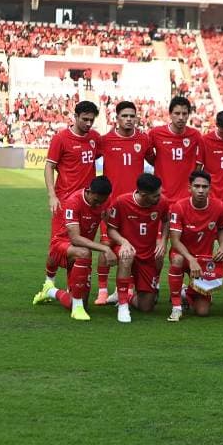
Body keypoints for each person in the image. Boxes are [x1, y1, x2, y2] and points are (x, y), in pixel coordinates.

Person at [32, 176, 117, 322]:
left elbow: (109, 223)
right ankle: (77, 309)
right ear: (89, 191)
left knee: (80, 301)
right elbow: (75, 238)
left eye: (102, 202)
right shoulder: (73, 201)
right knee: (84, 252)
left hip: (80, 250)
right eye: (96, 201)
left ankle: (51, 291)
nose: (98, 205)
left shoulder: (104, 201)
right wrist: (105, 249)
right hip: (61, 244)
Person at [95, 101, 150, 305]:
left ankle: (126, 291)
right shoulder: (105, 140)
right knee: (105, 245)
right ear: (116, 118)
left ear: (136, 118)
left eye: (132, 116)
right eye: (124, 116)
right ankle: (102, 290)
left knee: (132, 249)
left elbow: (155, 160)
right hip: (110, 205)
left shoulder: (143, 140)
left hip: (136, 206)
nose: (128, 119)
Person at [42, 100, 103, 283]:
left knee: (79, 246)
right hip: (65, 201)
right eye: (84, 119)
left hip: (87, 203)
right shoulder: (61, 138)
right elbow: (49, 166)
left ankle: (73, 287)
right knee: (58, 245)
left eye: (91, 120)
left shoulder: (95, 138)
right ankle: (49, 282)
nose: (88, 123)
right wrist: (52, 195)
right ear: (75, 117)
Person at [106, 173, 169, 323]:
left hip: (148, 255)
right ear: (143, 194)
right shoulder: (121, 202)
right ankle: (122, 306)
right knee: (127, 255)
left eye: (160, 194)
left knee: (146, 307)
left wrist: (163, 241)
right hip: (126, 249)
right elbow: (111, 229)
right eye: (155, 196)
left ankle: (129, 296)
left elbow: (166, 221)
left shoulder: (162, 202)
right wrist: (124, 242)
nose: (159, 198)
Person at [167, 170, 223, 322]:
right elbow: (175, 241)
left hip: (205, 261)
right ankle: (176, 307)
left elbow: (222, 228)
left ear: (210, 188)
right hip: (182, 255)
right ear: (190, 188)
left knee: (202, 312)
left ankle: (187, 293)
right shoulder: (179, 207)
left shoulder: (219, 207)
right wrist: (190, 259)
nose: (201, 190)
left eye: (204, 187)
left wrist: (222, 246)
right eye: (197, 186)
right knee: (178, 260)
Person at [146, 96, 205, 202]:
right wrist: (159, 164)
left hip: (186, 196)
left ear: (188, 115)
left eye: (184, 114)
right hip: (162, 194)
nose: (181, 117)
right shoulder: (156, 133)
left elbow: (199, 162)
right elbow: (147, 154)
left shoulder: (195, 135)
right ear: (170, 114)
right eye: (177, 113)